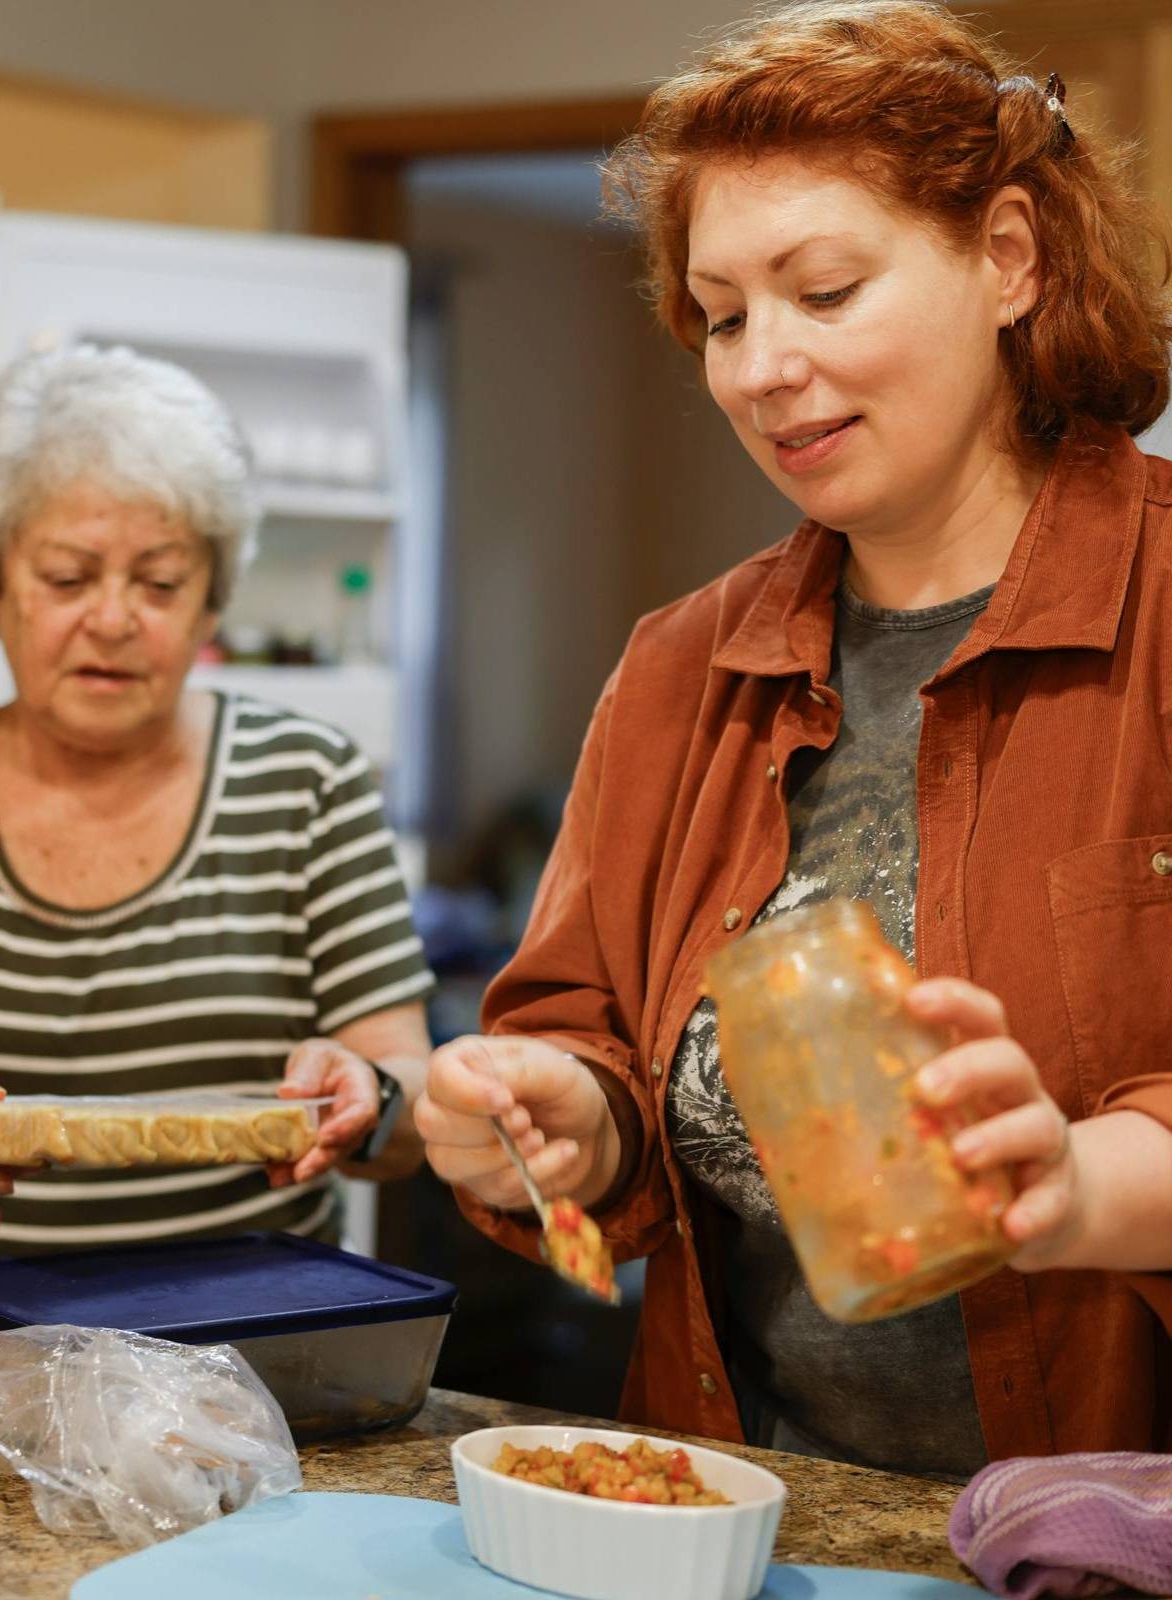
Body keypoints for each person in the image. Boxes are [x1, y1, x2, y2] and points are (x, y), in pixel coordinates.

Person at [416, 0, 1172, 1476]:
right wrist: (568, 1115)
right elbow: (590, 1049)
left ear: (1007, 259)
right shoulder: (681, 669)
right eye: (724, 314)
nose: (763, 366)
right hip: (739, 1507)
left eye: (824, 290)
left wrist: (1074, 1182)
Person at [0, 344, 433, 1251]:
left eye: (160, 584)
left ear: (210, 608)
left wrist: (370, 1089)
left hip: (246, 1345)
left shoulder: (306, 784)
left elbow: (406, 1096)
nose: (115, 620)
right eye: (69, 578)